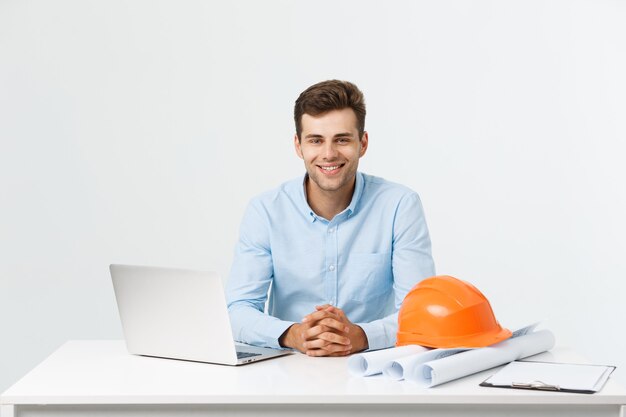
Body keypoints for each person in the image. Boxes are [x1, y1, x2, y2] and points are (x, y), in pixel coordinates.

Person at [226, 80, 435, 357]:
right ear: (298, 146)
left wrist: (360, 336)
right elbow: (237, 310)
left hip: (375, 369)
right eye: (316, 140)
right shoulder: (265, 210)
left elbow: (421, 314)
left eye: (342, 139)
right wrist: (293, 334)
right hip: (287, 369)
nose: (328, 154)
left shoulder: (399, 206)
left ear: (363, 143)